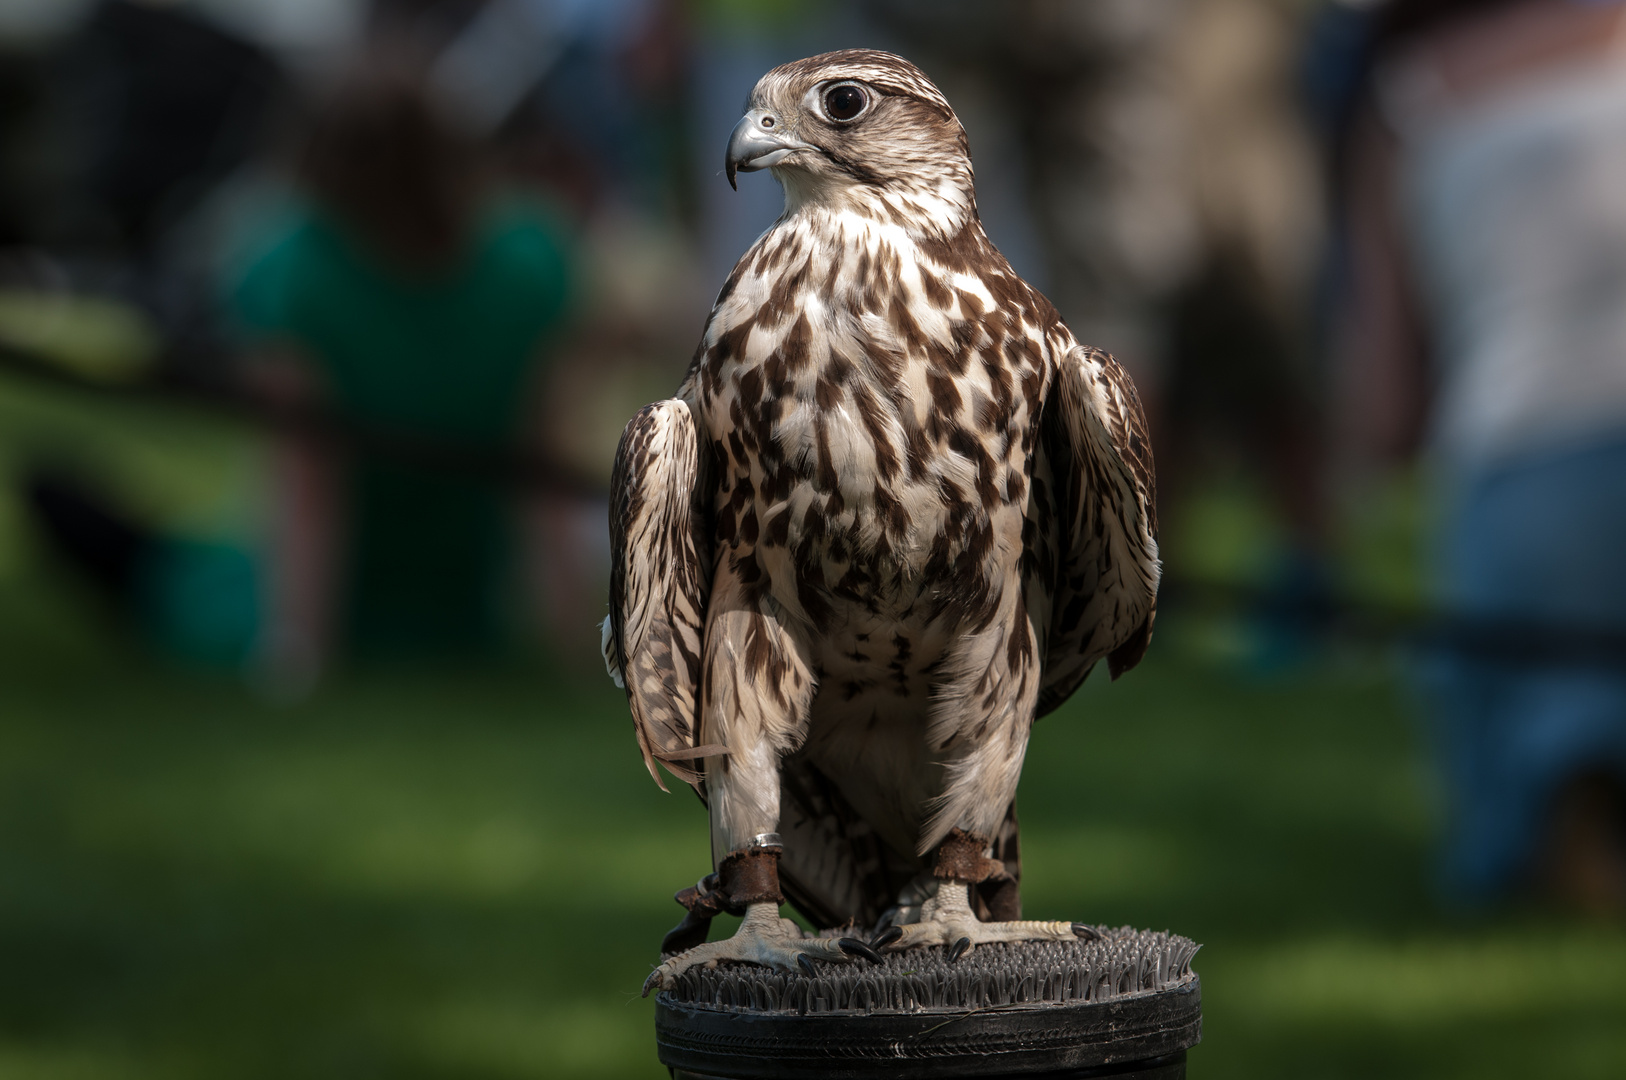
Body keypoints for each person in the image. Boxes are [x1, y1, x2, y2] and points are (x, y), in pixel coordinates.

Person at [1339, 0, 1626, 912]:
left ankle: (1559, 811)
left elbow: (1385, 415)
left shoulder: (1404, 102)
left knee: (1507, 856)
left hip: (1513, 474)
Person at [229, 50, 575, 685]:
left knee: (154, 567)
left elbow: (308, 484)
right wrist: (573, 639)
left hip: (339, 602)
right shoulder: (531, 263)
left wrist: (294, 656)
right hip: (472, 609)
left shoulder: (290, 272)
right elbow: (542, 469)